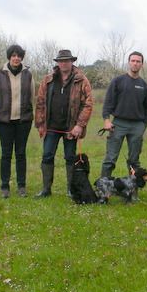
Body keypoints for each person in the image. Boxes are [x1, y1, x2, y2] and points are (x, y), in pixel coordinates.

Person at [34, 49, 93, 197]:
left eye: (66, 60)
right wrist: (41, 124)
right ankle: (46, 190)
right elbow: (40, 102)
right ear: (57, 63)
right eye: (61, 61)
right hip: (51, 127)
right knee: (47, 156)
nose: (64, 63)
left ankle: (70, 190)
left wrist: (80, 125)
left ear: (72, 62)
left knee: (70, 158)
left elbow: (88, 103)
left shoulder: (81, 79)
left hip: (71, 128)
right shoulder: (48, 79)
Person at [0, 44, 35, 198]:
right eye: (13, 55)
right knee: (6, 154)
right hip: (4, 122)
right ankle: (4, 186)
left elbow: (31, 96)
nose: (16, 58)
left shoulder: (28, 75)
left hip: (23, 121)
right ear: (9, 57)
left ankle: (21, 186)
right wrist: (4, 110)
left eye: (19, 56)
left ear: (22, 58)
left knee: (21, 153)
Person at [100, 51, 147, 177]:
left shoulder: (144, 86)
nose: (135, 63)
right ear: (129, 62)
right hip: (118, 123)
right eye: (133, 61)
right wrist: (107, 120)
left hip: (137, 126)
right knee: (110, 159)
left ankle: (132, 191)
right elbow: (108, 103)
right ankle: (103, 189)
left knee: (134, 161)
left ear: (142, 64)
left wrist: (143, 126)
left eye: (138, 61)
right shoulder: (118, 81)